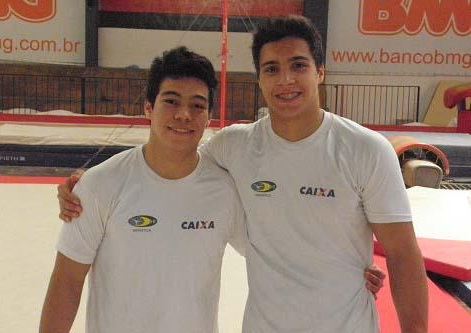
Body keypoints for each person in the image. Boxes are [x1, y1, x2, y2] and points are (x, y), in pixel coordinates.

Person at [56, 16, 419, 333]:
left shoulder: (366, 150)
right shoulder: (235, 147)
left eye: (298, 65)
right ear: (259, 78)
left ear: (320, 71)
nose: (286, 79)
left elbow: (403, 254)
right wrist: (86, 184)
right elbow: (173, 159)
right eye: (271, 68)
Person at [40, 47, 250, 333]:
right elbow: (67, 281)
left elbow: (271, 255)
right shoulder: (100, 185)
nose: (184, 115)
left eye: (198, 105)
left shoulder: (225, 191)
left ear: (210, 116)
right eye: (172, 101)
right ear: (148, 108)